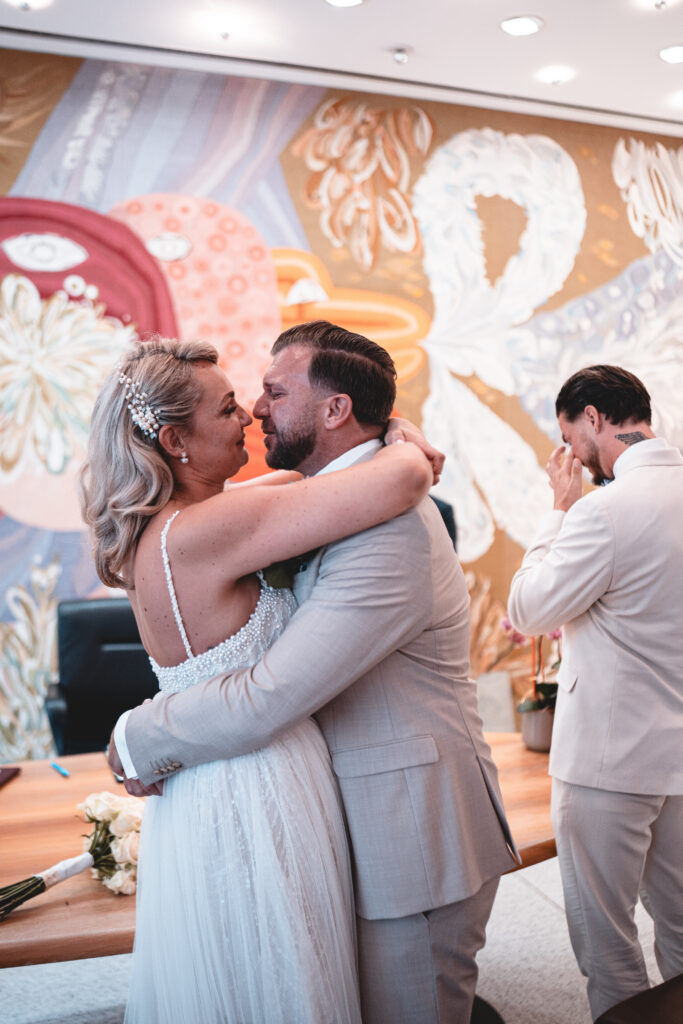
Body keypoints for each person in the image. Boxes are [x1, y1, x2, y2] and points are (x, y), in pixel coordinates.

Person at [109, 320, 519, 1024]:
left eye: (273, 392)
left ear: (335, 410)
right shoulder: (317, 499)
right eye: (238, 401)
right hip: (312, 800)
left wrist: (138, 735)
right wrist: (401, 443)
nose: (256, 410)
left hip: (412, 832)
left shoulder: (385, 530)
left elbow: (270, 694)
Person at [507, 365, 683, 1020]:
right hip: (679, 760)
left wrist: (559, 509)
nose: (572, 455)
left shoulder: (602, 511)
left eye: (568, 437)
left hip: (608, 764)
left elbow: (528, 609)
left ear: (591, 417)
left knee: (605, 941)